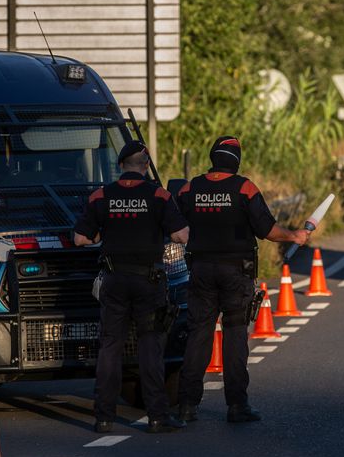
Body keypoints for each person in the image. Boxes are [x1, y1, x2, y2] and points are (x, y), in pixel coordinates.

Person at [175, 136, 308, 423]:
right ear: (236, 160)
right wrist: (294, 236)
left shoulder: (191, 187)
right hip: (236, 272)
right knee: (235, 335)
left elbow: (172, 221)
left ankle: (186, 405)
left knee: (199, 334)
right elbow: (267, 229)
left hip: (200, 270)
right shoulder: (244, 188)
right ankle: (237, 405)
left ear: (213, 157)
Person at [74, 142, 190, 434]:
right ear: (146, 163)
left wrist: (103, 234)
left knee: (110, 347)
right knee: (150, 347)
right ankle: (157, 416)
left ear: (121, 165)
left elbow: (80, 239)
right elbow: (182, 235)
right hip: (148, 282)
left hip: (113, 281)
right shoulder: (159, 196)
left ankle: (103, 417)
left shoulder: (101, 196)